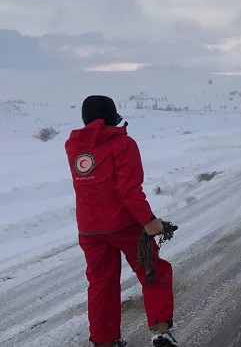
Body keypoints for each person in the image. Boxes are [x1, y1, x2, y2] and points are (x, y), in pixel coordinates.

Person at [65, 95, 178, 347]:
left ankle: (104, 342)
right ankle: (160, 332)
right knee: (153, 272)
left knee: (101, 284)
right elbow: (129, 191)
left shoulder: (73, 147)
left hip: (90, 229)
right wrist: (150, 222)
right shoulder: (123, 144)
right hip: (126, 226)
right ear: (110, 117)